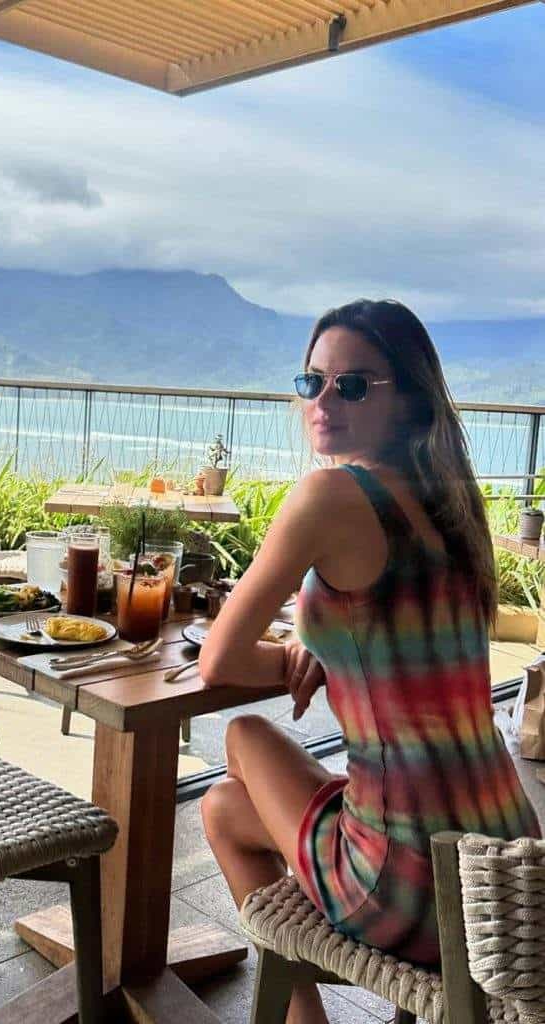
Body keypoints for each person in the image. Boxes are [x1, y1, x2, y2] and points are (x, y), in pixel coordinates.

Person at [199, 299, 540, 1024]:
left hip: (405, 884)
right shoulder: (454, 505)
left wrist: (298, 661)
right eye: (312, 381)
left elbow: (218, 660)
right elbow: (397, 640)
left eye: (352, 385)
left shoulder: (329, 494)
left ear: (407, 398)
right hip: (505, 876)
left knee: (243, 737)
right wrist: (321, 650)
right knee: (224, 806)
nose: (323, 401)